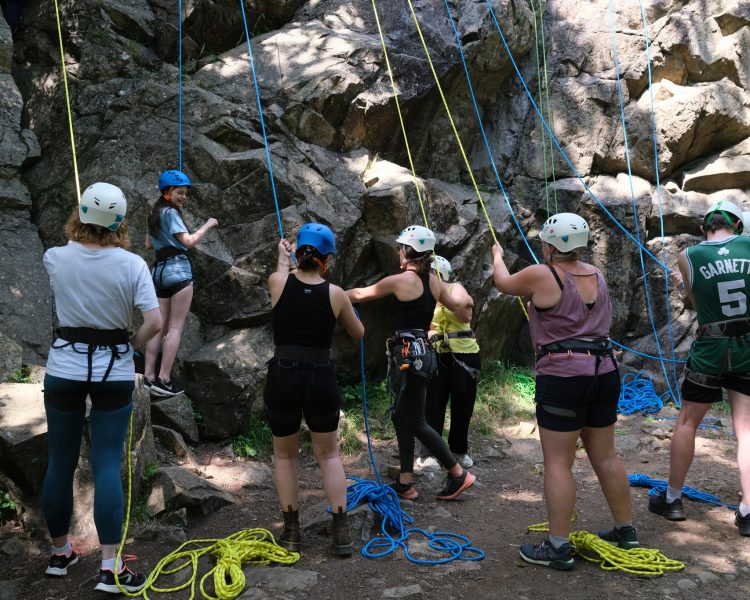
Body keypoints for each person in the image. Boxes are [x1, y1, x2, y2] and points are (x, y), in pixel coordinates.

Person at [492, 212, 637, 571]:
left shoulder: (545, 274)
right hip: (604, 371)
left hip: (563, 374)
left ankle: (558, 546)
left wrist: (497, 255)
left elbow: (504, 284)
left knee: (558, 461)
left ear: (550, 245)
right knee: (605, 456)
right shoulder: (597, 275)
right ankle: (625, 531)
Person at [42, 182, 162, 593]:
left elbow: (72, 262)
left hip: (64, 368)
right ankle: (110, 569)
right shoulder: (132, 266)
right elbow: (155, 322)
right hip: (112, 369)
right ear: (121, 222)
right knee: (108, 464)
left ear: (80, 215)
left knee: (60, 461)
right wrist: (131, 344)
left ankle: (60, 555)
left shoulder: (55, 258)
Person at [347, 225, 476, 501]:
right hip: (422, 354)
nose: (397, 252)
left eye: (399, 248)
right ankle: (405, 481)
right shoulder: (433, 281)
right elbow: (459, 307)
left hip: (408, 354)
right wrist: (468, 302)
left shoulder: (400, 280)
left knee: (415, 420)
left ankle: (457, 473)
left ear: (406, 251)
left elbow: (360, 295)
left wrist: (330, 295)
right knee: (400, 414)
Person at [650, 200, 750, 537]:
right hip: (747, 345)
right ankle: (749, 510)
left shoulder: (688, 257)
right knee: (746, 430)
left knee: (687, 423)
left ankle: (673, 499)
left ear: (703, 228)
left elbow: (697, 303)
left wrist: (682, 282)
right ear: (737, 225)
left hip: (711, 347)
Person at [265, 223, 364, 556]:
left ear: (299, 252)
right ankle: (341, 534)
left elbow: (282, 276)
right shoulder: (336, 294)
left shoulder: (278, 282)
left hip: (283, 375)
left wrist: (282, 257)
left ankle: (292, 533)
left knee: (285, 454)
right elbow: (359, 333)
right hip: (320, 377)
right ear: (327, 258)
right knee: (329, 454)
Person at [144, 169, 217, 397]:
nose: (183, 197)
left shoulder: (154, 213)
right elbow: (187, 242)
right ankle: (164, 379)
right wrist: (208, 224)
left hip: (159, 271)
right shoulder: (171, 214)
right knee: (175, 327)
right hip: (178, 270)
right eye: (179, 193)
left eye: (185, 194)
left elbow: (148, 244)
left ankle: (148, 376)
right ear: (167, 192)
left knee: (159, 325)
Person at [417, 256, 479, 470]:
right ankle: (428, 454)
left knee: (462, 404)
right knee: (433, 404)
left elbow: (463, 314)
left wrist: (442, 295)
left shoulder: (455, 287)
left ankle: (459, 451)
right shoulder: (424, 293)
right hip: (437, 353)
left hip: (463, 354)